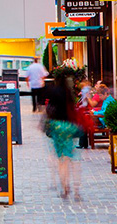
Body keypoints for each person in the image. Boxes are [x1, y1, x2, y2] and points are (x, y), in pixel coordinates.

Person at [45, 72, 81, 200]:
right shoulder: (68, 92)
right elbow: (73, 108)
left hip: (56, 126)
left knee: (60, 159)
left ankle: (65, 186)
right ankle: (76, 188)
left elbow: (48, 108)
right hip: (68, 126)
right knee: (70, 157)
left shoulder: (52, 91)